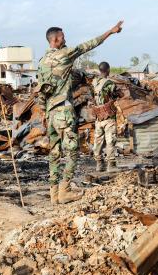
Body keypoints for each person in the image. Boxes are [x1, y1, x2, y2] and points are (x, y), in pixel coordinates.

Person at [37, 21, 123, 204]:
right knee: (73, 151)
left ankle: (54, 194)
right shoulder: (65, 54)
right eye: (62, 36)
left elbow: (40, 92)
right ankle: (65, 189)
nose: (65, 38)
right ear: (55, 39)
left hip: (50, 114)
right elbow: (90, 44)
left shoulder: (42, 62)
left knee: (54, 153)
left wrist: (44, 114)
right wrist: (110, 31)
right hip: (63, 112)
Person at [92, 62, 119, 172]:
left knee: (98, 141)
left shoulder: (94, 83)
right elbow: (115, 95)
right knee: (110, 140)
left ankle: (99, 164)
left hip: (98, 117)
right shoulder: (109, 83)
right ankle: (111, 165)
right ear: (108, 70)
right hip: (108, 116)